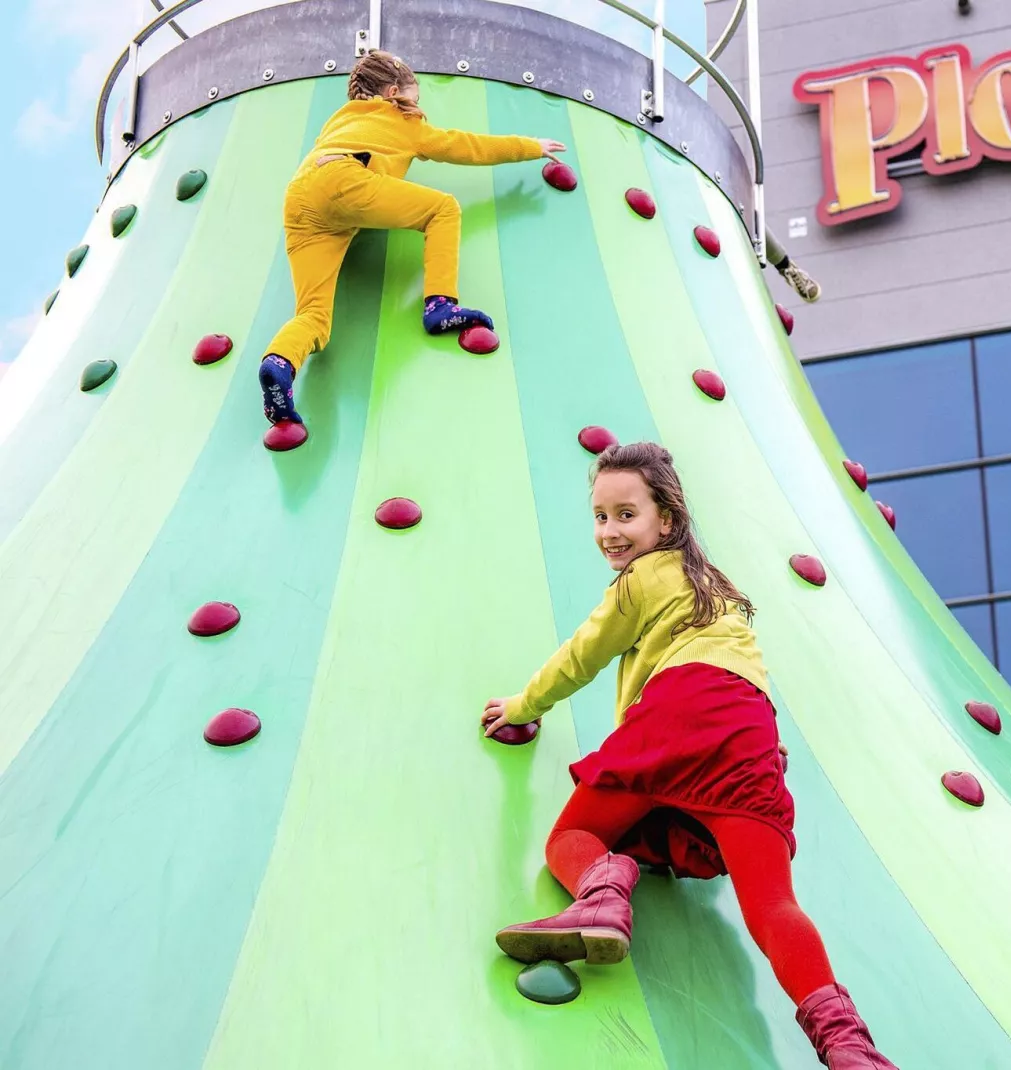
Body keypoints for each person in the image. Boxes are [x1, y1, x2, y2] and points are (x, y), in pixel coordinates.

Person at [481, 442, 898, 1069]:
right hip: (748, 733)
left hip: (680, 710)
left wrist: (522, 707)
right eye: (600, 516)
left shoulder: (643, 579)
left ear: (666, 521)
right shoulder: (718, 591)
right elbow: (742, 680)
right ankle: (848, 1045)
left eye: (627, 515)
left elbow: (582, 657)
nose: (610, 532)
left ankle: (602, 893)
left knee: (574, 834)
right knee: (774, 904)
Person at [258, 51, 564, 432]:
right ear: (392, 92)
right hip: (343, 181)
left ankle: (280, 362)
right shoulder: (403, 121)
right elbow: (467, 145)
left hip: (301, 199)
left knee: (313, 316)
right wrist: (530, 146)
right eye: (414, 98)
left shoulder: (338, 120)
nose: (416, 107)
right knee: (443, 209)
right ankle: (439, 304)